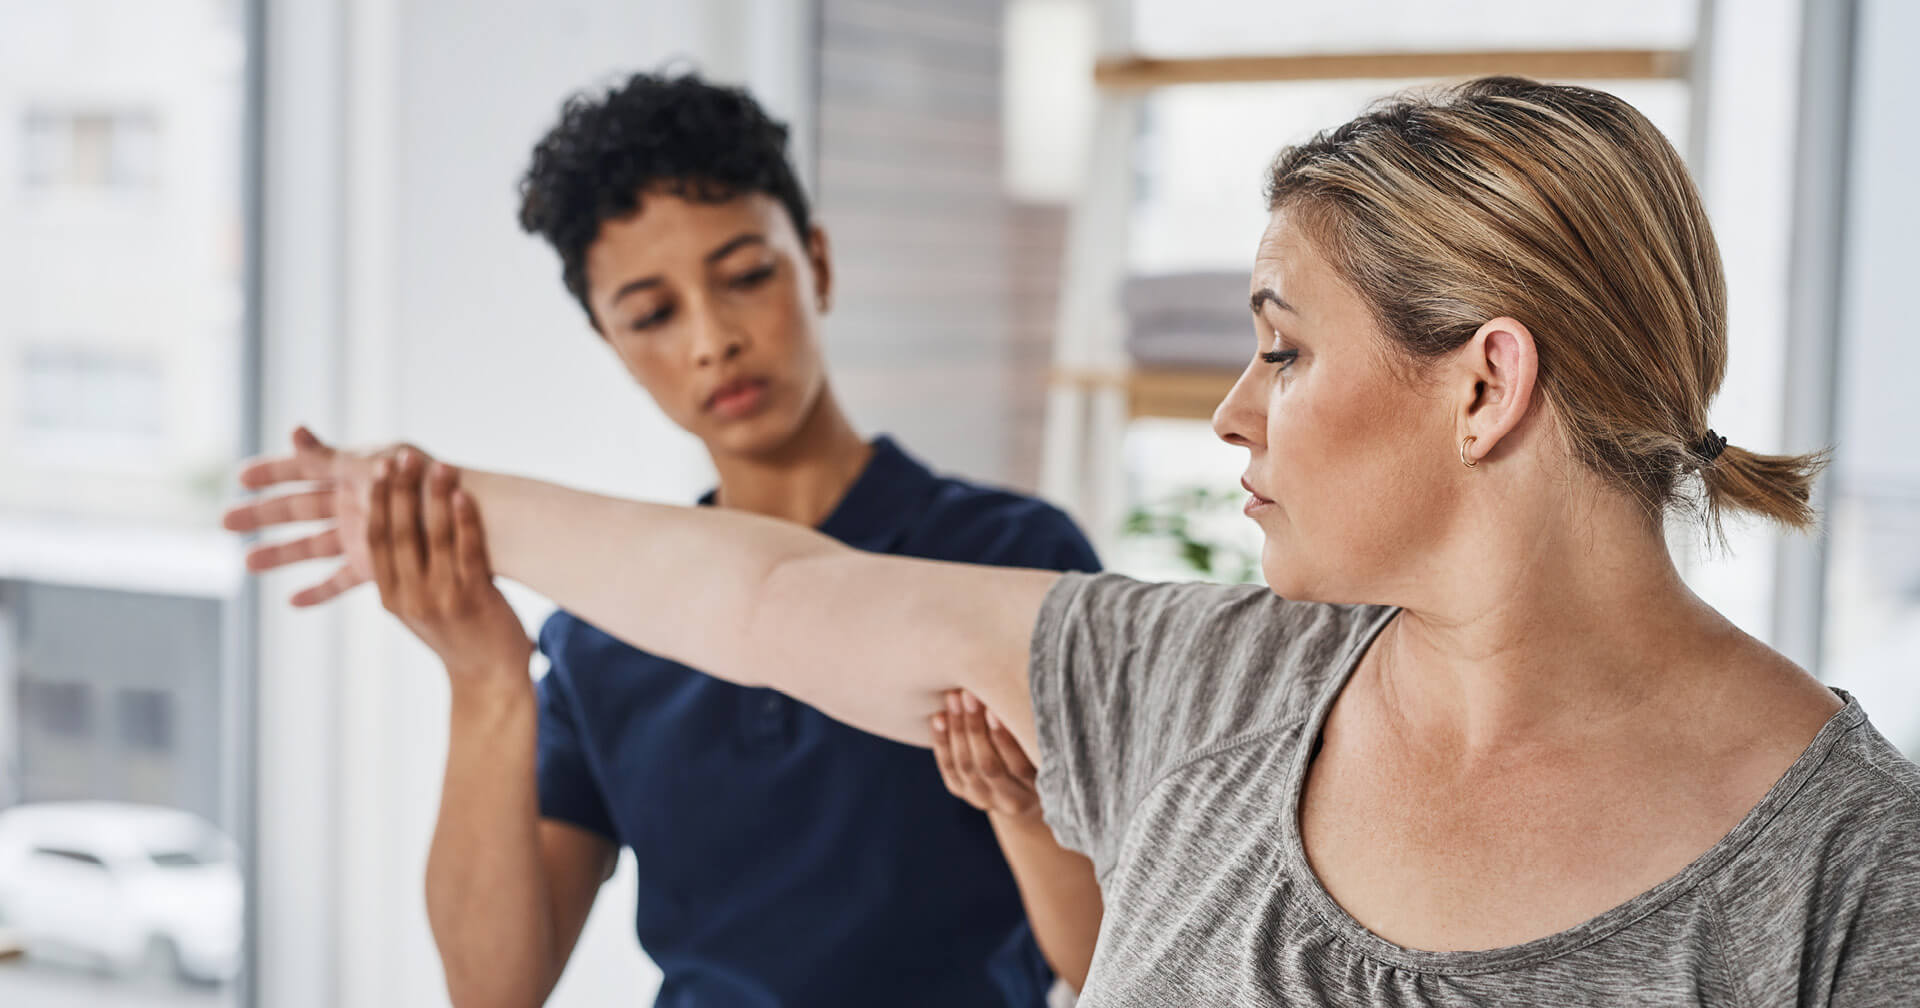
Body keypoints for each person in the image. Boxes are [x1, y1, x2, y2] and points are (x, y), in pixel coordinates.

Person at [229, 77, 1920, 1005]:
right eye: (645, 309)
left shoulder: (1850, 879)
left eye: (1283, 345)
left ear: (1485, 384)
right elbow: (765, 594)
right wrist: (449, 512)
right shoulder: (1204, 677)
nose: (1233, 417)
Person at [248, 71, 1106, 1006]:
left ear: (815, 263)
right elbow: (493, 993)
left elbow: (1109, 961)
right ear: (609, 341)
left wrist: (1025, 810)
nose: (712, 340)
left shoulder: (1007, 555)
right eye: (653, 314)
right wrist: (484, 679)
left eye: (745, 277)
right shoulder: (604, 633)